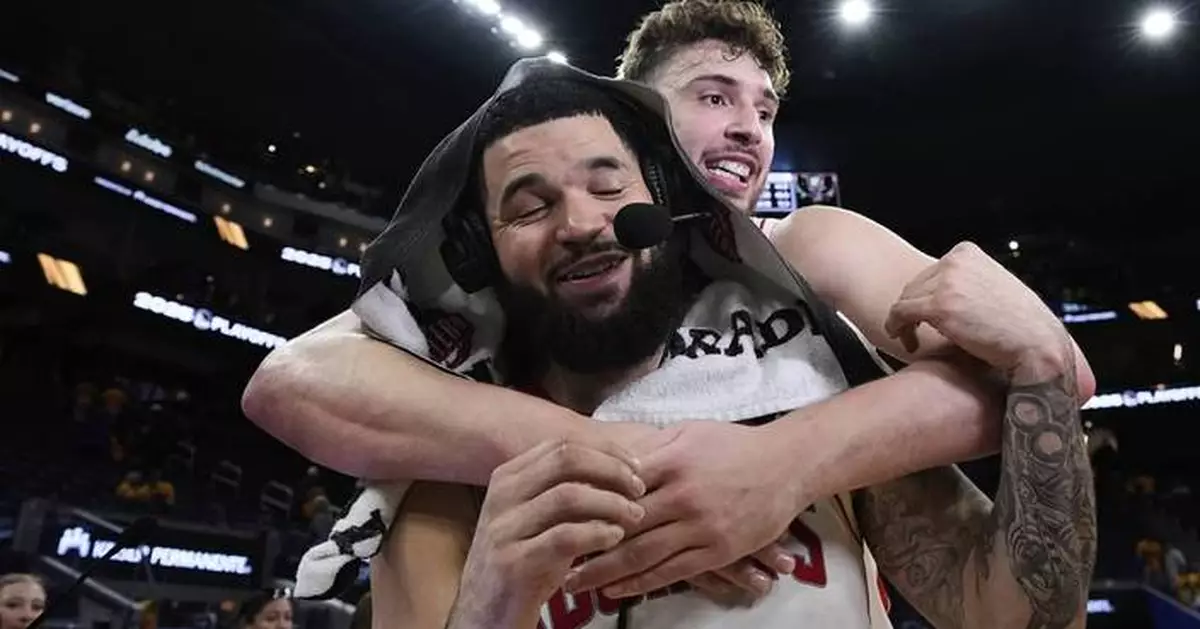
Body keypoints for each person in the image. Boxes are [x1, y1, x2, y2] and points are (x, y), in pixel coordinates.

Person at [249, 0, 1095, 607]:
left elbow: (1005, 385)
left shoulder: (805, 270)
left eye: (764, 109)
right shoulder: (487, 324)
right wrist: (627, 457)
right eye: (714, 96)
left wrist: (780, 462)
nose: (750, 129)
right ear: (637, 126)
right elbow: (293, 381)